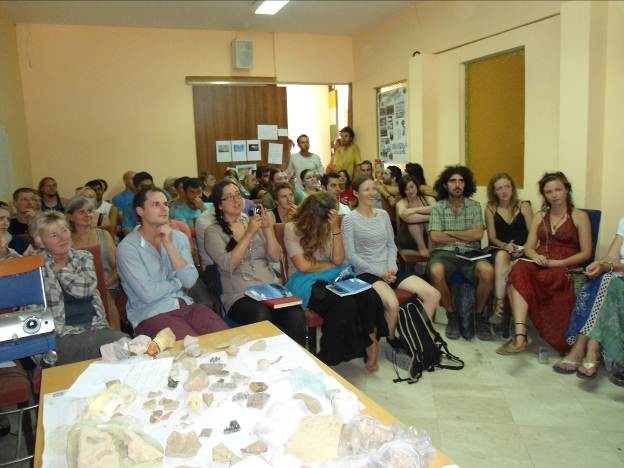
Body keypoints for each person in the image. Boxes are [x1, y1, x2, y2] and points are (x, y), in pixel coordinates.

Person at [283, 192, 386, 371]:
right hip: (305, 280)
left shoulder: (329, 225)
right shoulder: (292, 228)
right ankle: (330, 356)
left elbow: (338, 260)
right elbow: (303, 266)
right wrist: (331, 265)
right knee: (344, 302)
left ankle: (370, 342)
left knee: (369, 295)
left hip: (333, 274)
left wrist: (336, 229)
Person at [497, 172, 592, 355]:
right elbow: (529, 247)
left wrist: (559, 262)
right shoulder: (540, 216)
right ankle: (520, 336)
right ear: (544, 195)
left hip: (565, 264)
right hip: (540, 261)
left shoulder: (580, 216)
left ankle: (552, 335)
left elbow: (586, 253)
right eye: (549, 192)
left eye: (558, 190)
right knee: (519, 269)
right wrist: (534, 256)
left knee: (551, 276)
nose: (554, 195)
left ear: (566, 190)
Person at [117, 187, 227, 338]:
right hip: (151, 313)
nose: (164, 209)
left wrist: (169, 245)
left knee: (225, 337)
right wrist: (177, 282)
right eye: (156, 204)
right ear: (140, 211)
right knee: (192, 346)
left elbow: (189, 281)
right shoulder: (128, 248)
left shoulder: (178, 238)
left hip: (185, 304)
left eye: (166, 204)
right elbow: (148, 294)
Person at [203, 181, 306, 344]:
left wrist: (267, 229)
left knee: (296, 314)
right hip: (239, 294)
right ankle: (267, 357)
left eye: (238, 194)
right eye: (229, 197)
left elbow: (276, 257)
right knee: (261, 314)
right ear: (220, 205)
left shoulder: (253, 222)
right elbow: (229, 265)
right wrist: (249, 233)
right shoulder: (213, 232)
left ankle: (293, 357)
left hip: (270, 290)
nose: (236, 199)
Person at [342, 176, 441, 346]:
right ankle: (391, 339)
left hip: (389, 269)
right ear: (356, 193)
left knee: (433, 295)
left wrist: (391, 268)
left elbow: (391, 245)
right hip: (366, 272)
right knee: (393, 304)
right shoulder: (349, 219)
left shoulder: (383, 215)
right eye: (366, 189)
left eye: (374, 188)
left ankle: (417, 337)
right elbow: (351, 255)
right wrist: (381, 273)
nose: (372, 193)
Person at [28, 210, 126, 365]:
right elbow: (33, 314)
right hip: (60, 337)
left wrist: (60, 269)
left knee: (121, 347)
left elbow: (85, 290)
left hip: (95, 328)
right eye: (54, 235)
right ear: (40, 242)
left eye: (64, 231)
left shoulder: (83, 257)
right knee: (122, 343)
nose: (63, 238)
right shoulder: (34, 266)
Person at [427, 165, 494, 341]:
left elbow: (477, 235)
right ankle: (452, 315)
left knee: (487, 271)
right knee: (436, 271)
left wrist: (449, 232)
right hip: (444, 254)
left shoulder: (474, 206)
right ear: (445, 185)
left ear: (466, 184)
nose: (457, 185)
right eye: (453, 181)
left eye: (461, 181)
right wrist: (465, 235)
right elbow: (435, 236)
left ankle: (478, 316)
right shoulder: (438, 208)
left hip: (471, 253)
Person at [555, 217, 624, 380]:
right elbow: (612, 256)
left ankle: (585, 349)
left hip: (616, 276)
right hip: (616, 275)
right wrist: (599, 264)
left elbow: (612, 265)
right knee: (603, 279)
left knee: (607, 280)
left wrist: (608, 267)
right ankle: (590, 350)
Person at [484, 173, 533, 323]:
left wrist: (524, 249)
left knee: (507, 259)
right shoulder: (490, 208)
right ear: (494, 192)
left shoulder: (524, 206)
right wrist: (505, 246)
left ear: (512, 188)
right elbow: (492, 237)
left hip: (523, 249)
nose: (504, 191)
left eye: (507, 187)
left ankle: (500, 308)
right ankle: (499, 306)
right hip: (499, 248)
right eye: (499, 188)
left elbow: (534, 233)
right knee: (501, 256)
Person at [66, 196, 120, 301]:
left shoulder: (104, 234)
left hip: (108, 287)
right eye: (81, 212)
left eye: (90, 211)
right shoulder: (66, 240)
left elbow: (118, 265)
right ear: (70, 217)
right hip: (79, 290)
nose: (87, 215)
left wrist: (108, 281)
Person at [395, 175, 436, 257]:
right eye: (406, 189)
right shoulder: (401, 203)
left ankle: (431, 249)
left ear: (416, 186)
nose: (410, 191)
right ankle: (422, 248)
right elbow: (407, 217)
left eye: (412, 187)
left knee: (429, 223)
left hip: (429, 236)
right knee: (414, 223)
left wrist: (414, 210)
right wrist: (430, 218)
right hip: (408, 237)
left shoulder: (429, 199)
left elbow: (437, 210)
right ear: (403, 191)